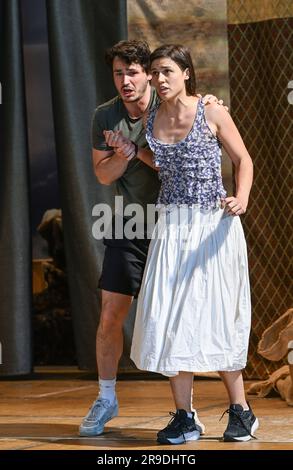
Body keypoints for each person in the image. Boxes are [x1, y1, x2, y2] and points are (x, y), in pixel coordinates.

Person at [79, 40, 225, 437]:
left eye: (133, 72)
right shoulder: (104, 115)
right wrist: (125, 152)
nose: (125, 81)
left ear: (149, 74)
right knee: (111, 313)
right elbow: (103, 175)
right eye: (117, 73)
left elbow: (195, 140)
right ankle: (106, 396)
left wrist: (211, 103)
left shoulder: (171, 104)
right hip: (129, 222)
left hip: (178, 224)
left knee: (181, 317)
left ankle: (186, 412)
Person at [127, 44, 258, 445]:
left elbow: (244, 159)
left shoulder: (212, 110)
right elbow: (166, 162)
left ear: (186, 72)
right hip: (172, 225)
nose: (159, 79)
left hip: (212, 224)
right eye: (154, 73)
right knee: (170, 319)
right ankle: (185, 417)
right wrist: (134, 151)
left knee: (217, 314)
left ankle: (242, 412)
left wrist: (242, 197)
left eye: (166, 71)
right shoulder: (151, 119)